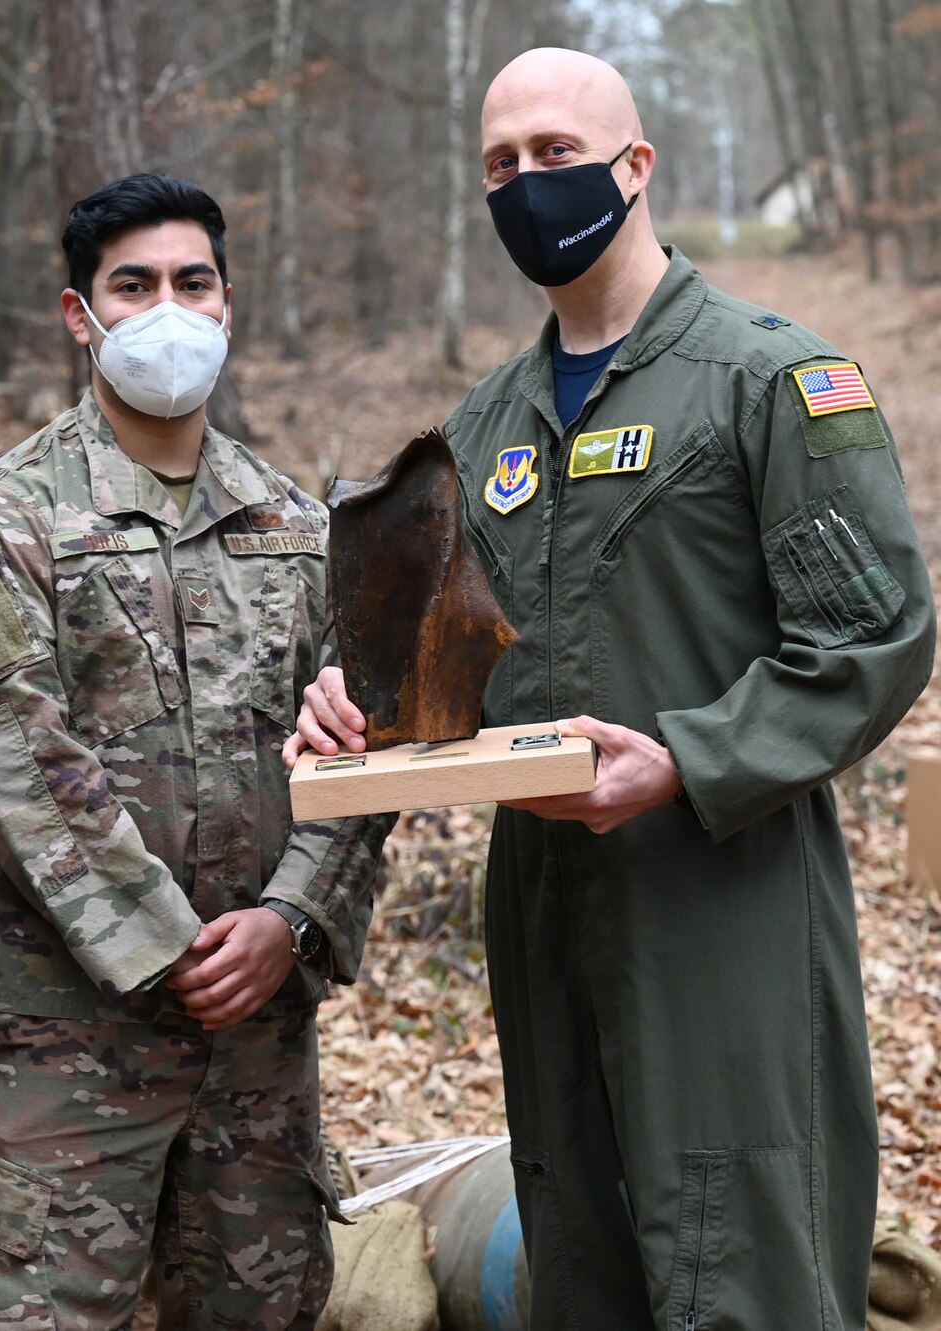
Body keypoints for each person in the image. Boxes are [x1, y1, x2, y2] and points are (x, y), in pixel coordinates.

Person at [287, 49, 935, 1331]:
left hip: (722, 891)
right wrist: (349, 711)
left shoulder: (773, 383)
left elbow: (872, 632)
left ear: (634, 166)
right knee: (576, 1255)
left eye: (554, 154)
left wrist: (690, 760)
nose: (525, 182)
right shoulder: (482, 428)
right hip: (543, 905)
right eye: (498, 164)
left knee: (738, 1253)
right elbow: (430, 672)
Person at [0, 174, 392, 1331]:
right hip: (69, 1034)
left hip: (258, 1035)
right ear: (79, 316)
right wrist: (161, 943)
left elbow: (367, 748)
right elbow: (15, 755)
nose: (166, 309)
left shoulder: (301, 524)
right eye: (132, 286)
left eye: (191, 282)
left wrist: (290, 918)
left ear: (227, 305)